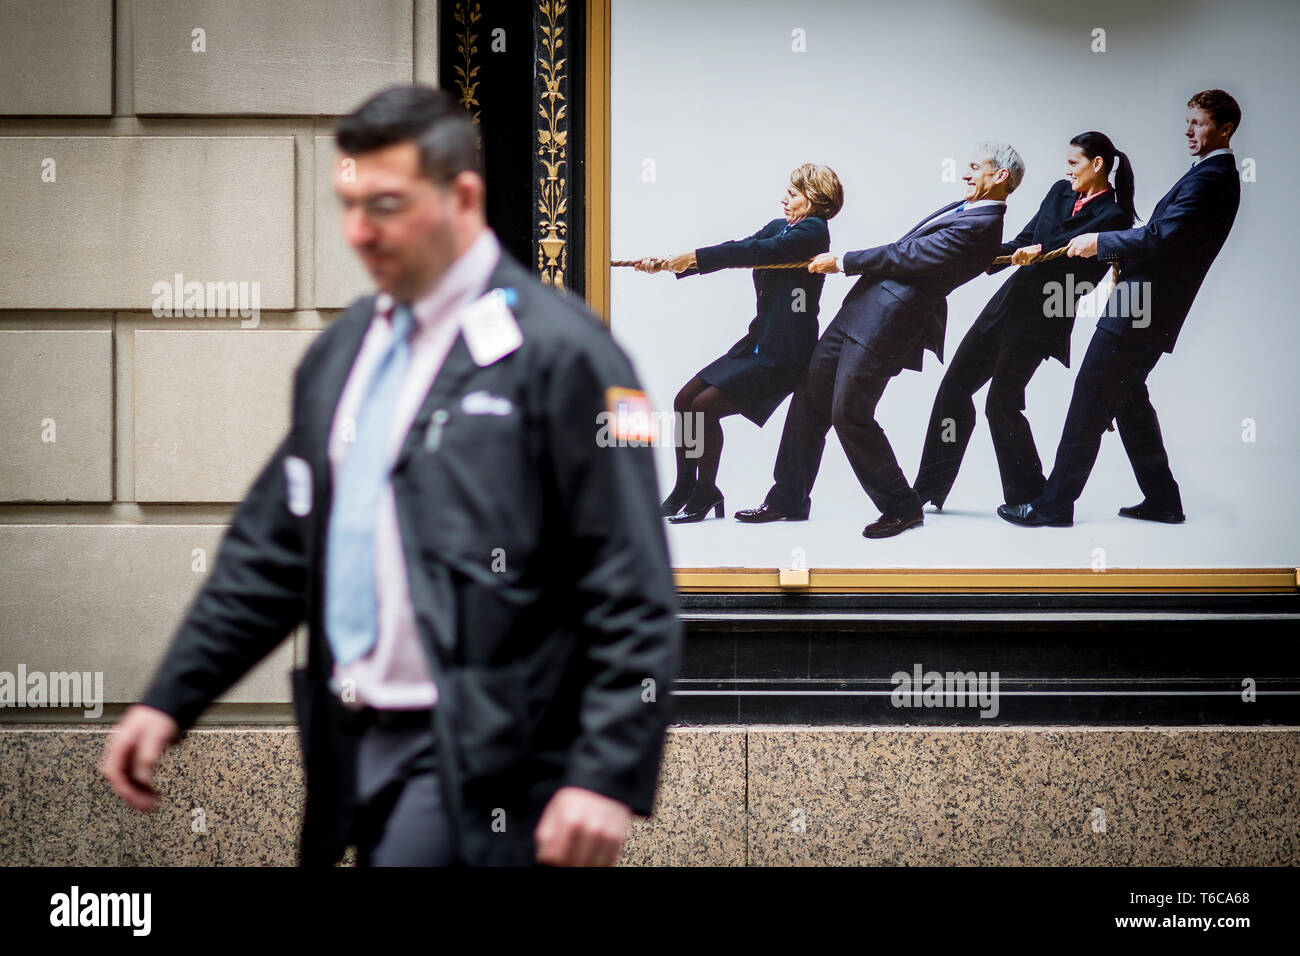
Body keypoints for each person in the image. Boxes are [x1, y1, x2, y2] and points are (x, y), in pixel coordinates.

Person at [100, 84, 682, 867]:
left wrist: (607, 772)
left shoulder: (565, 354)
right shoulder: (340, 358)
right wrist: (171, 698)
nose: (357, 233)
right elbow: (271, 552)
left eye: (385, 205)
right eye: (348, 204)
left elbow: (632, 582)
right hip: (352, 746)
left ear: (463, 196)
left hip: (490, 762)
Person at [736, 143, 1022, 538]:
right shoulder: (968, 210)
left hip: (889, 324)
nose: (966, 174)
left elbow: (910, 256)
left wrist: (844, 261)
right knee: (809, 397)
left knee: (849, 412)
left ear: (1000, 176)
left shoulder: (982, 226)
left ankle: (901, 506)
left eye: (975, 167)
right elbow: (918, 252)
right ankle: (789, 497)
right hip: (860, 312)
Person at [1000, 90, 1242, 527]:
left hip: (1141, 308)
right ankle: (1163, 500)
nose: (1188, 130)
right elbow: (1165, 237)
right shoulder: (1205, 173)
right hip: (1145, 305)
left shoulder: (1212, 177)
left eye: (1199, 123)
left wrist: (1101, 242)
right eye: (1187, 121)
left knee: (1090, 397)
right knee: (1128, 398)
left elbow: (1160, 238)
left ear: (1224, 129)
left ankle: (1055, 505)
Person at [913, 132, 1136, 511]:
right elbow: (1026, 238)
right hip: (1008, 303)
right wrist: (984, 255)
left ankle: (1030, 496)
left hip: (1044, 316)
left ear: (1097, 165)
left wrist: (1040, 252)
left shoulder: (1113, 216)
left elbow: (1076, 269)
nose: (1067, 171)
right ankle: (928, 489)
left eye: (1073, 164)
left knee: (1001, 403)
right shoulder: (1059, 193)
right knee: (954, 386)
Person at [636, 164, 844, 523]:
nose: (784, 198)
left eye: (793, 193)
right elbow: (741, 246)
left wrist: (695, 258)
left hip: (784, 354)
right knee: (684, 400)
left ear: (814, 200)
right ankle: (686, 487)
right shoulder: (782, 227)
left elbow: (754, 253)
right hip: (758, 342)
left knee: (703, 408)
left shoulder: (812, 233)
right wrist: (674, 263)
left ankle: (705, 492)